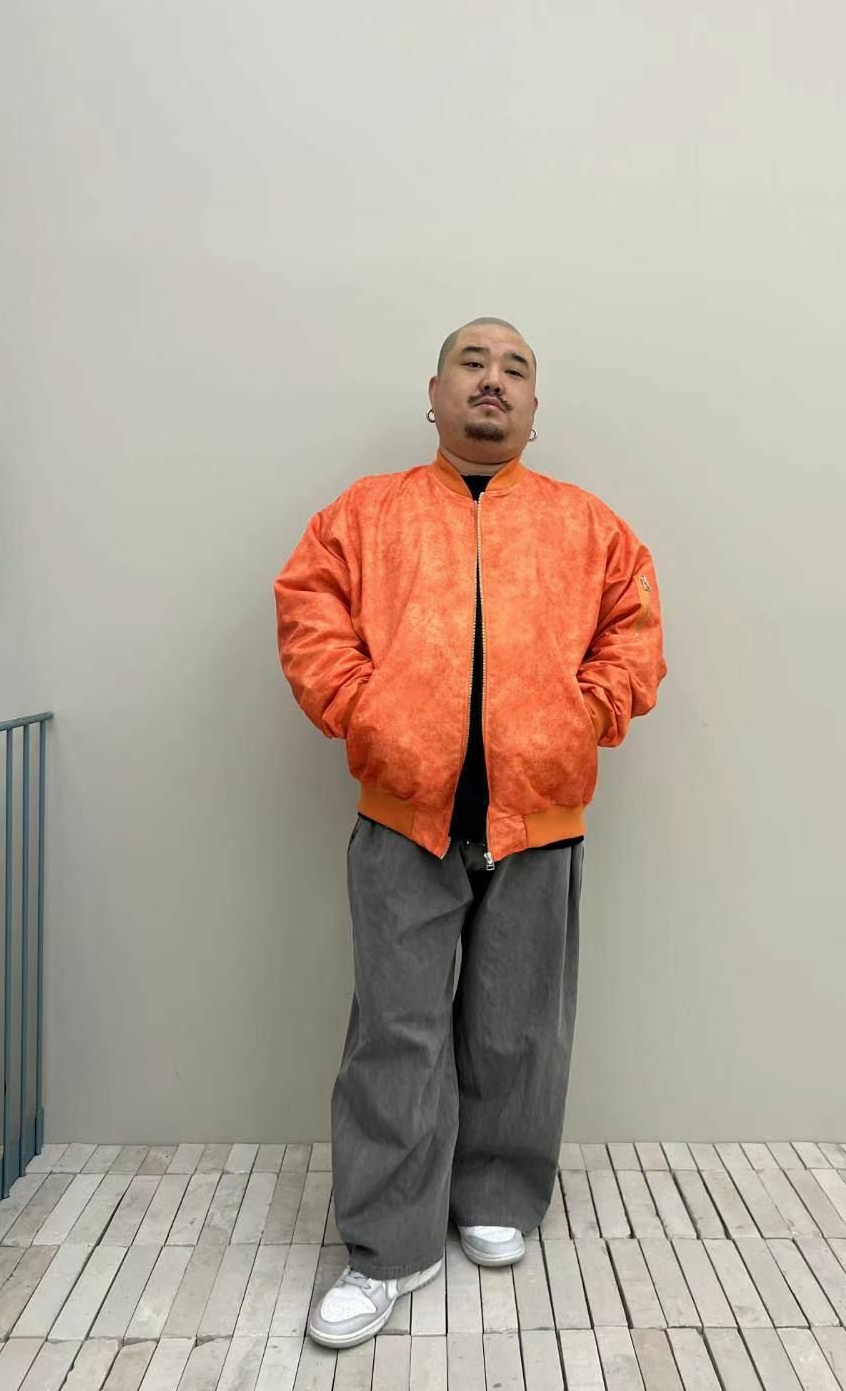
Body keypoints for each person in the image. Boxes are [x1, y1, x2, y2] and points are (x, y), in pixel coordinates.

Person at [273, 316, 667, 1350]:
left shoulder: (587, 526)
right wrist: (365, 713)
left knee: (519, 1023)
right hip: (405, 812)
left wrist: (583, 716)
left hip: (538, 812)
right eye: (473, 363)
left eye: (515, 368)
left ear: (534, 406)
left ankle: (496, 1192)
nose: (494, 380)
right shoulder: (366, 515)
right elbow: (309, 612)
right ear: (435, 392)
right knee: (395, 1031)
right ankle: (387, 1246)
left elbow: (634, 632)